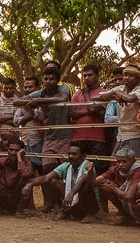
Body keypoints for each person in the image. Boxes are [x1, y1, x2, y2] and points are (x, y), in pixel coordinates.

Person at [14, 67, 72, 211]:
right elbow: (18, 102)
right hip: (49, 136)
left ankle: (67, 204)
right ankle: (55, 204)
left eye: (51, 79)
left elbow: (63, 99)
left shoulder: (62, 89)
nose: (48, 81)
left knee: (64, 171)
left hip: (65, 135)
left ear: (57, 80)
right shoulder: (40, 92)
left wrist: (40, 101)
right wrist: (32, 102)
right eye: (45, 78)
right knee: (47, 169)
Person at [22, 143, 99, 221]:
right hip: (71, 201)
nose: (70, 156)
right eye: (69, 153)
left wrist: (71, 194)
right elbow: (47, 177)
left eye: (74, 154)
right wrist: (30, 184)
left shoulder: (88, 166)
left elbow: (82, 180)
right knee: (54, 182)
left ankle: (90, 214)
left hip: (86, 202)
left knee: (86, 185)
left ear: (83, 156)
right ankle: (65, 211)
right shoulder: (66, 165)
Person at [100, 65, 140, 156]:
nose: (127, 78)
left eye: (131, 76)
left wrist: (116, 93)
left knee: (136, 164)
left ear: (138, 78)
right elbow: (99, 97)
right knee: (116, 164)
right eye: (125, 75)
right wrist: (116, 95)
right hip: (121, 135)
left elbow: (130, 99)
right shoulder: (120, 88)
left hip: (136, 135)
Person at [0, 134, 34, 214]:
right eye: (11, 150)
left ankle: (19, 210)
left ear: (22, 152)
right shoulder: (3, 161)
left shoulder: (27, 163)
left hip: (17, 197)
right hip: (3, 195)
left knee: (27, 182)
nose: (13, 153)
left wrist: (19, 158)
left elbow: (25, 175)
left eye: (16, 151)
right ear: (7, 150)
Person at [95, 147, 140, 225]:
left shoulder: (139, 170)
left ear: (133, 161)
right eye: (118, 161)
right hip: (125, 194)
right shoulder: (116, 168)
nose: (120, 164)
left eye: (124, 161)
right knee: (104, 185)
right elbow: (96, 182)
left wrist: (114, 189)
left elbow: (129, 196)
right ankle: (126, 215)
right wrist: (91, 172)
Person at [67, 65, 107, 158]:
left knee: (97, 167)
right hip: (78, 137)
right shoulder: (77, 94)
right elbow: (71, 113)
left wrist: (86, 94)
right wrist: (91, 110)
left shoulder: (103, 93)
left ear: (97, 76)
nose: (86, 78)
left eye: (90, 75)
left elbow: (92, 108)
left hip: (97, 138)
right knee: (77, 166)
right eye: (84, 76)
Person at [14, 76, 45, 169]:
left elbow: (44, 117)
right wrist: (30, 115)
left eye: (30, 87)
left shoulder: (42, 100)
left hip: (40, 140)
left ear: (37, 88)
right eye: (25, 87)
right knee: (28, 168)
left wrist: (32, 111)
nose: (27, 90)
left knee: (41, 167)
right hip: (26, 141)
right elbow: (15, 121)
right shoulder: (22, 102)